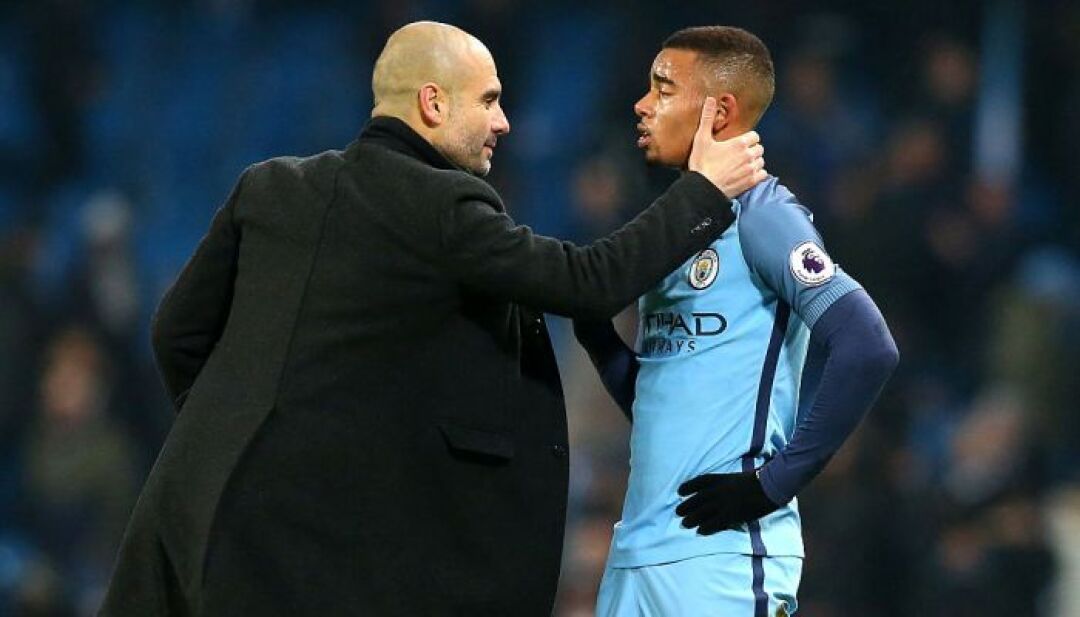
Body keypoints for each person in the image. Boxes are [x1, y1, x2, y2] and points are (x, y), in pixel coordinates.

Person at [98, 21, 770, 617]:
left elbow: (176, 333)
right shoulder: (440, 206)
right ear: (432, 103)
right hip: (309, 562)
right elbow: (588, 282)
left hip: (188, 531)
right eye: (489, 100)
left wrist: (236, 434)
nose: (504, 121)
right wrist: (703, 191)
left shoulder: (268, 187)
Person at [573, 26, 899, 616]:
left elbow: (867, 344)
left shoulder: (764, 216)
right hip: (639, 548)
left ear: (719, 112)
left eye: (663, 89)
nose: (642, 105)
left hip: (724, 556)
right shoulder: (676, 227)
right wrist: (601, 343)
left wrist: (773, 484)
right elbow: (668, 402)